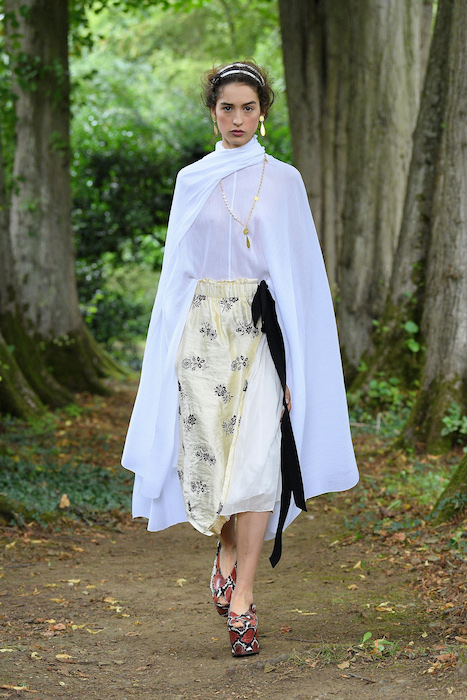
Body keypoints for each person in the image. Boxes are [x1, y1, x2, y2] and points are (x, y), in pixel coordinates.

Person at [122, 60, 358, 657]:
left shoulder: (285, 182)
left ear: (263, 113)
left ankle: (244, 596)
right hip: (201, 335)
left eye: (248, 108)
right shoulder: (191, 180)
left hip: (261, 333)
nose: (237, 118)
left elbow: (300, 278)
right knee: (211, 463)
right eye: (226, 107)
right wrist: (164, 351)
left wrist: (297, 362)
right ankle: (225, 547)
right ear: (212, 112)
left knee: (257, 463)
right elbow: (176, 275)